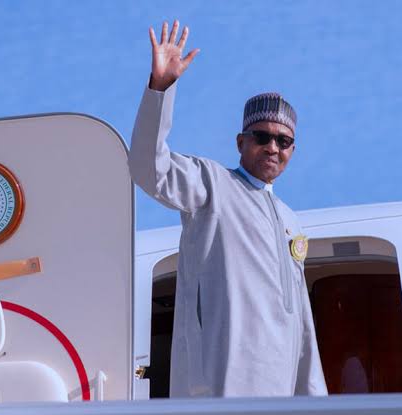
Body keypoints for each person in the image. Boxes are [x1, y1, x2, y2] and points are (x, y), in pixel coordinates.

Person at [129, 20, 327, 398]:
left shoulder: (290, 221)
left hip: (281, 393)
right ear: (240, 142)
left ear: (292, 150)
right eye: (262, 137)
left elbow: (301, 323)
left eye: (283, 140)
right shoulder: (211, 184)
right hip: (221, 387)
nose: (273, 147)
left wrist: (314, 399)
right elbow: (147, 167)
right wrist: (160, 88)